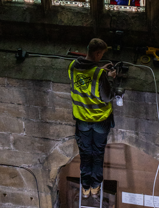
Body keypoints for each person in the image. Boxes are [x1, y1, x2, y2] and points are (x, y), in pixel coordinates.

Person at [68, 38, 117, 199]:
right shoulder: (99, 74)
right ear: (97, 53)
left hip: (82, 120)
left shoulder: (73, 67)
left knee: (85, 153)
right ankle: (95, 187)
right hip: (100, 122)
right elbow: (107, 97)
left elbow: (84, 80)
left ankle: (85, 188)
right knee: (97, 154)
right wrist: (109, 76)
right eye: (101, 54)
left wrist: (100, 70)